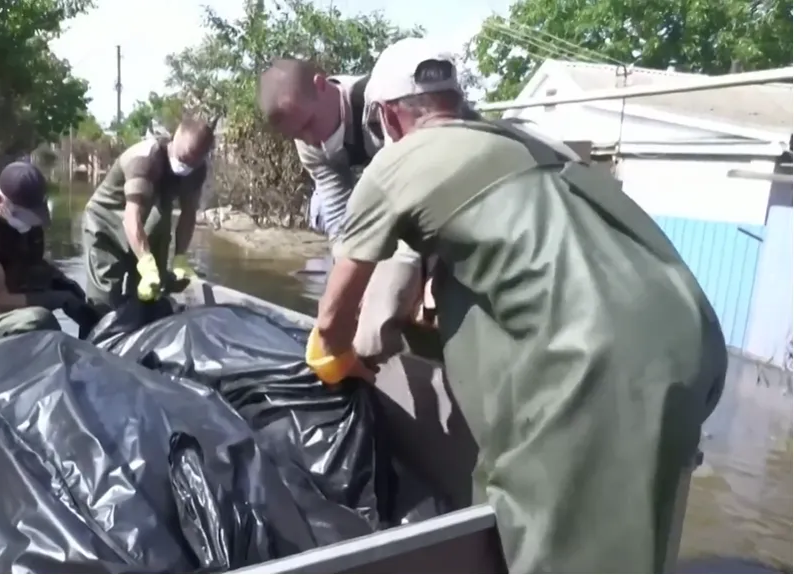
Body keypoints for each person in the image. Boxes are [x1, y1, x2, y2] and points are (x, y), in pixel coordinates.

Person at [305, 38, 727, 573]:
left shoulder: (396, 164)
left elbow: (335, 316)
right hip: (689, 331)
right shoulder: (517, 141)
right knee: (641, 538)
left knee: (541, 535)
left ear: (388, 116)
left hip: (592, 354)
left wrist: (335, 358)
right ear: (453, 101)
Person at [259, 59, 463, 362]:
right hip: (389, 211)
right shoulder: (309, 145)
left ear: (321, 85)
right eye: (298, 135)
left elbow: (433, 188)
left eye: (309, 125)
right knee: (367, 334)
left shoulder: (385, 105)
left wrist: (431, 273)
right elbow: (342, 224)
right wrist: (349, 292)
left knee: (427, 305)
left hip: (447, 201)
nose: (310, 139)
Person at [0, 161, 99, 346]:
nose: (29, 221)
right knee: (40, 320)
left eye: (34, 214)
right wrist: (57, 299)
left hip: (14, 300)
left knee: (76, 296)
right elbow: (0, 303)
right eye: (21, 213)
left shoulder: (29, 224)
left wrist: (63, 285)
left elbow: (32, 264)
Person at [82, 116, 215, 309]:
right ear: (175, 139)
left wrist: (180, 257)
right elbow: (131, 219)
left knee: (153, 293)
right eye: (185, 159)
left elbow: (188, 214)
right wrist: (146, 262)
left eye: (194, 163)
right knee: (104, 301)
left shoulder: (197, 170)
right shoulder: (144, 159)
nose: (187, 167)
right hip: (105, 223)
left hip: (148, 222)